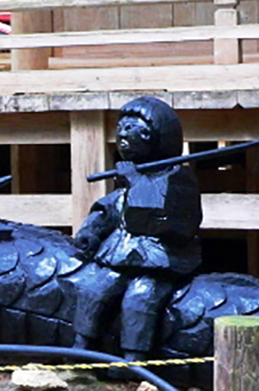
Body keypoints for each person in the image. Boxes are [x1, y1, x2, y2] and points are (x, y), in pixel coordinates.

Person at [71, 96, 202, 361]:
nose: (123, 134)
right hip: (123, 253)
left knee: (140, 298)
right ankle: (81, 345)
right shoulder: (132, 177)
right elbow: (111, 207)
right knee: (94, 287)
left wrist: (134, 181)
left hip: (160, 258)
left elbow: (156, 213)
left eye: (133, 128)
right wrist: (90, 232)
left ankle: (134, 358)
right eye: (121, 128)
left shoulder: (177, 176)